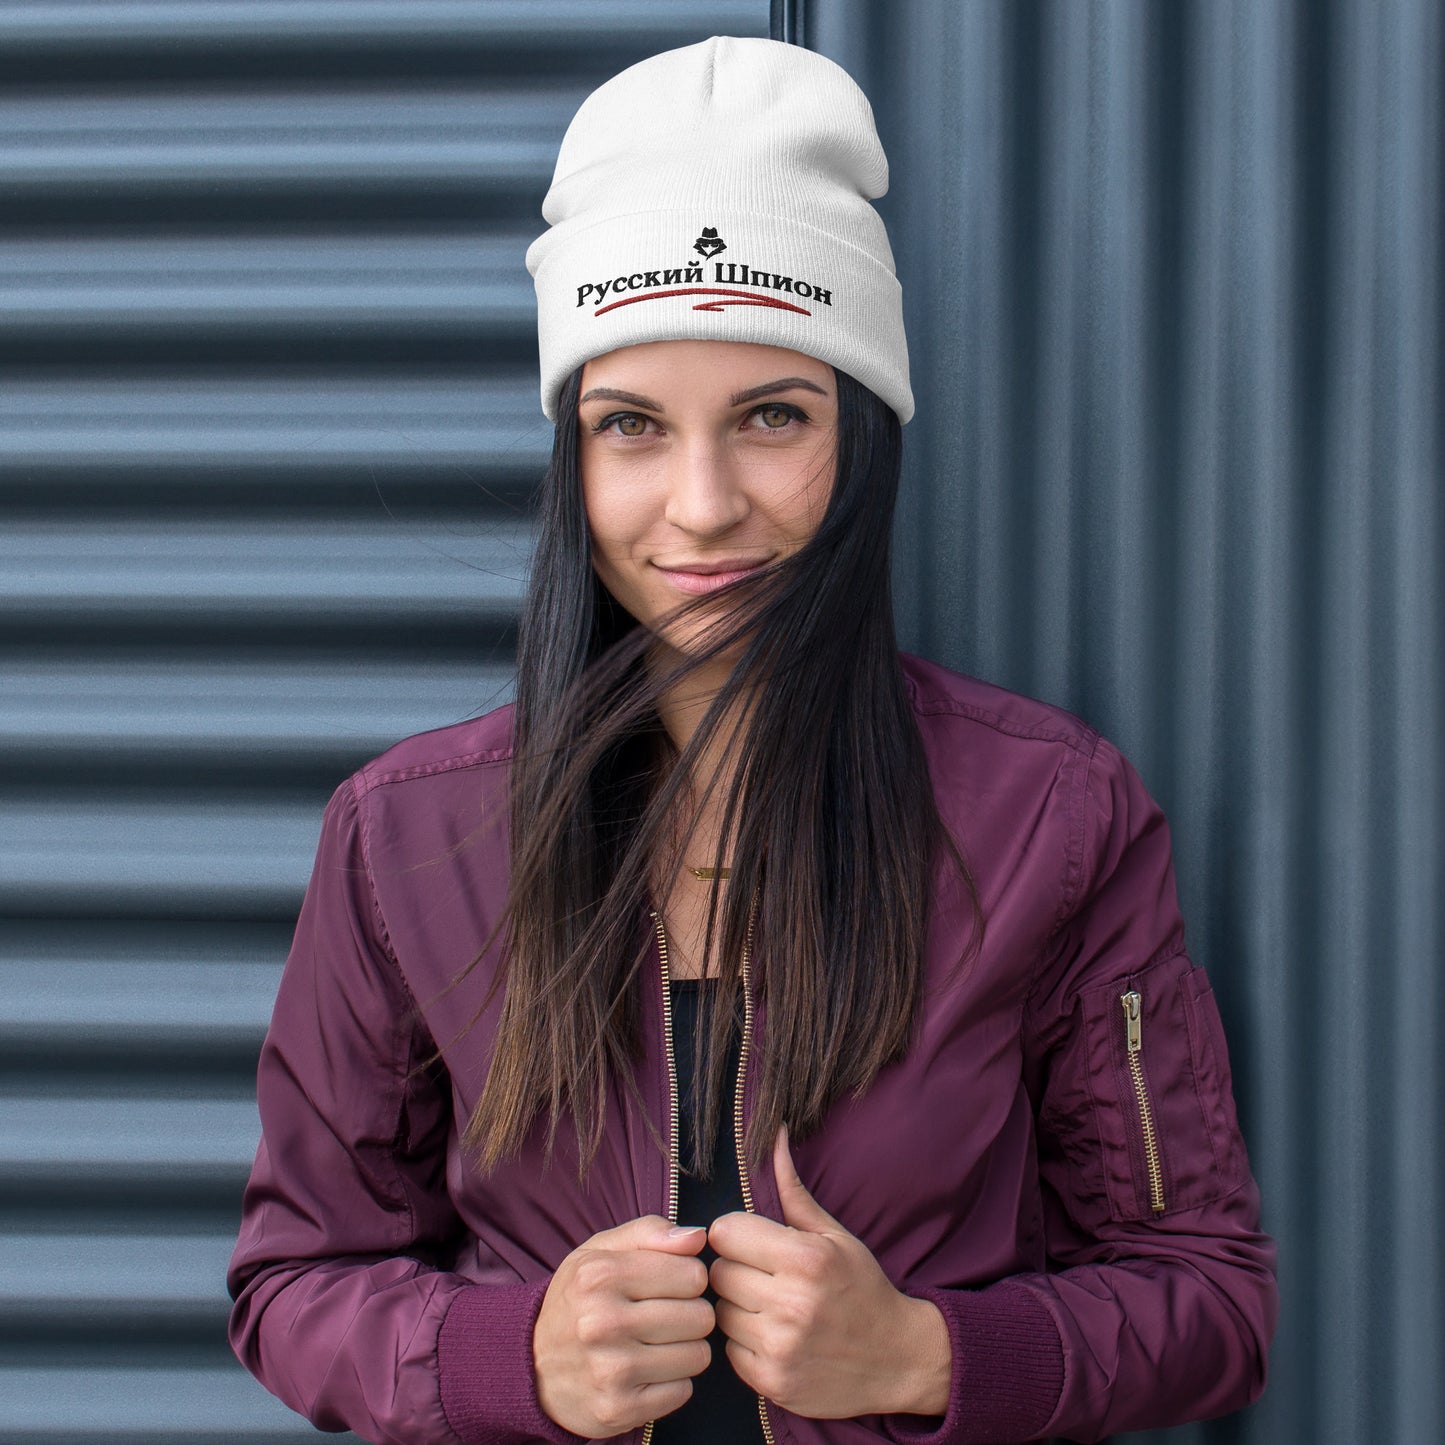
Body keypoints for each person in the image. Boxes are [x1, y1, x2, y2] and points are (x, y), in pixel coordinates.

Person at [228, 36, 1277, 1445]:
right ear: (576, 456)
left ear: (864, 436)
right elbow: (293, 1278)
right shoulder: (408, 833)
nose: (703, 504)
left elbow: (1207, 1299)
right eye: (632, 426)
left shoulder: (1049, 816)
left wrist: (926, 1353)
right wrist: (504, 1357)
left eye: (772, 416)